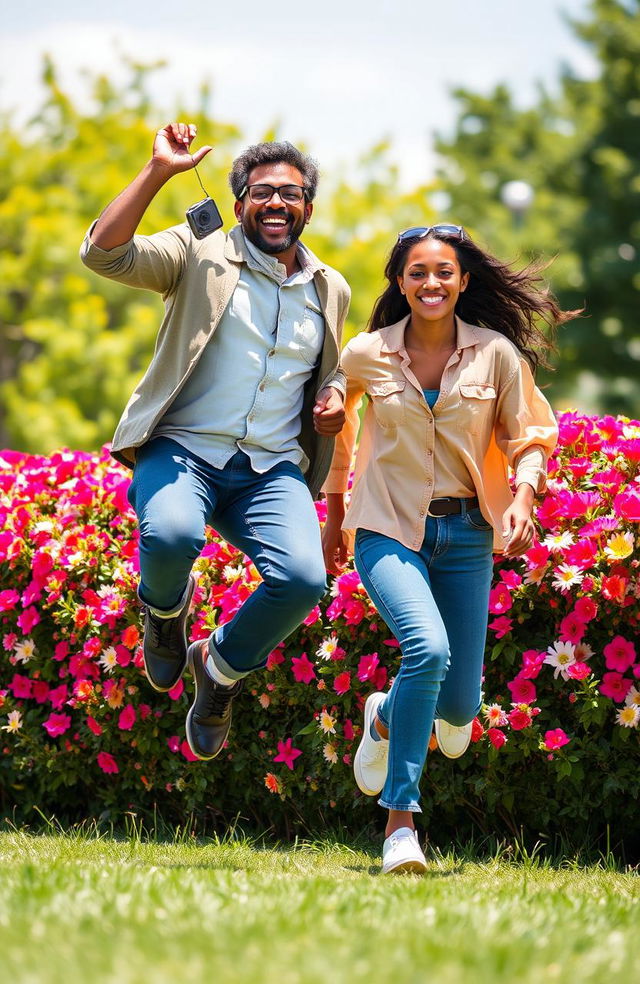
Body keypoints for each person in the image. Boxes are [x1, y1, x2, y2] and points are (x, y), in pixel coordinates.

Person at [81, 122, 350, 762]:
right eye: (261, 192)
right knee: (170, 537)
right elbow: (103, 254)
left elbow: (330, 371)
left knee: (304, 580)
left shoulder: (329, 288)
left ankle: (220, 669)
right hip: (184, 448)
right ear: (239, 205)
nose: (276, 203)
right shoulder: (201, 251)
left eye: (291, 192)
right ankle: (166, 611)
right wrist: (158, 172)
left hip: (271, 468)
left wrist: (334, 399)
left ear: (309, 206)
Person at [322, 224, 576, 874]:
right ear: (399, 282)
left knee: (459, 710)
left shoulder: (494, 355)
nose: (430, 283)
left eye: (443, 272)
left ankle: (383, 715)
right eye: (417, 272)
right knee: (426, 649)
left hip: (466, 534)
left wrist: (522, 496)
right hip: (385, 527)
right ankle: (400, 827)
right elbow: (339, 431)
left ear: (463, 280)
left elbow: (532, 434)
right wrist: (332, 518)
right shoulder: (365, 354)